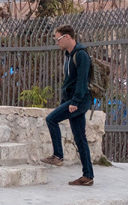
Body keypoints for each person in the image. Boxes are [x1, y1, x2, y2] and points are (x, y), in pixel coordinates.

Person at [40, 24, 94, 186]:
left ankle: (58, 156)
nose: (57, 42)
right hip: (72, 100)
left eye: (58, 39)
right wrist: (66, 101)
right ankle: (88, 176)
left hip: (80, 100)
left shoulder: (81, 55)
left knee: (51, 119)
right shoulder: (68, 55)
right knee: (80, 138)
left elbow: (82, 81)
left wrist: (75, 102)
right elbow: (68, 82)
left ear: (67, 37)